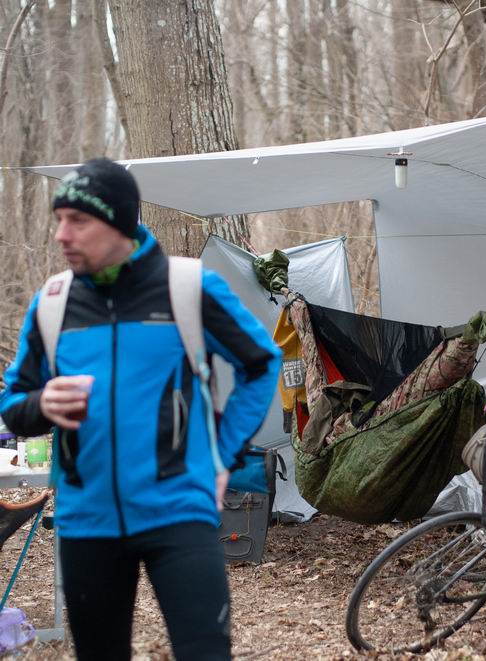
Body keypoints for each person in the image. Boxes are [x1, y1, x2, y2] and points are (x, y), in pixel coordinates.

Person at [0, 158, 281, 660]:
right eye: (59, 218)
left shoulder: (188, 288)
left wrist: (222, 454)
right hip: (87, 522)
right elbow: (14, 404)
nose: (62, 234)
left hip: (179, 513)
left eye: (78, 221)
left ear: (120, 223)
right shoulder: (53, 304)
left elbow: (261, 364)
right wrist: (42, 402)